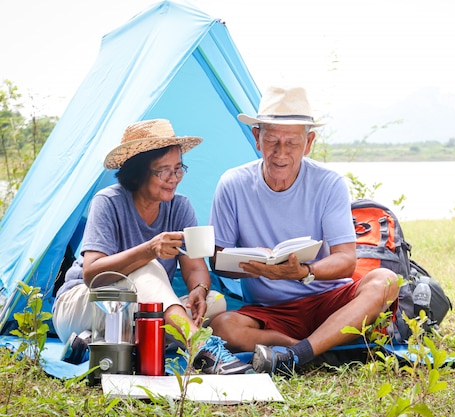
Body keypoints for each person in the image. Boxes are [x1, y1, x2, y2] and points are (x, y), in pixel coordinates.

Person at [208, 86, 400, 376]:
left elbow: (346, 262)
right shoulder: (232, 183)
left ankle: (297, 353)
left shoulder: (329, 183)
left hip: (329, 301)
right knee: (223, 326)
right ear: (256, 138)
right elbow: (217, 261)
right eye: (271, 140)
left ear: (308, 143)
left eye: (292, 143)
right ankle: (305, 348)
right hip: (270, 311)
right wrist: (254, 266)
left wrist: (304, 272)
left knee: (385, 281)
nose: (280, 153)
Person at [52, 119, 253, 375]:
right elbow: (92, 275)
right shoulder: (108, 202)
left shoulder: (180, 207)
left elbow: (195, 268)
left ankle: (101, 342)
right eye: (163, 171)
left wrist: (199, 290)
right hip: (86, 305)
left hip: (138, 312)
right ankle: (203, 348)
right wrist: (149, 250)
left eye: (179, 169)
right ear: (138, 172)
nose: (174, 179)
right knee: (147, 268)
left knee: (215, 302)